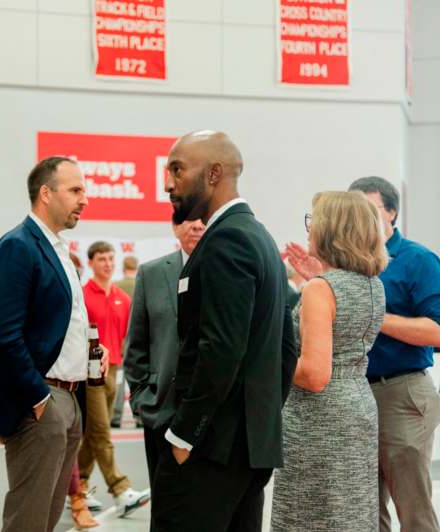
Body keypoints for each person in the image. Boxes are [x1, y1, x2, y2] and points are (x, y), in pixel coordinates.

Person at [152, 130, 297, 531]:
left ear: (214, 173)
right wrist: (260, 422)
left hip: (209, 450)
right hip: (247, 451)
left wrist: (184, 435)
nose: (169, 183)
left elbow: (221, 348)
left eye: (177, 169)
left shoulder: (226, 240)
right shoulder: (259, 237)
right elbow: (286, 347)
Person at [288, 176, 440, 531]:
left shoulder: (417, 260)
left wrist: (366, 312)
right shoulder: (348, 275)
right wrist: (322, 281)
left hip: (400, 391)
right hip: (354, 393)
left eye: (369, 212)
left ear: (391, 213)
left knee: (411, 502)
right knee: (363, 504)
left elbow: (437, 331)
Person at [0, 156, 108, 532]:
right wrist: (38, 399)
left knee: (47, 518)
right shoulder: (18, 246)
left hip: (67, 399)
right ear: (46, 194)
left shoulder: (58, 250)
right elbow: (4, 333)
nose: (84, 199)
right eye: (76, 190)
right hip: (40, 401)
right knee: (28, 519)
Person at [273, 191, 388, 530]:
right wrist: (317, 278)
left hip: (319, 416)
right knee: (349, 512)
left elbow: (314, 374)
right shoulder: (373, 284)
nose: (309, 229)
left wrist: (267, 359)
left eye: (314, 221)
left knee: (310, 513)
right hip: (358, 405)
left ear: (332, 230)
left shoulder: (321, 289)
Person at [123, 215, 205, 493]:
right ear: (175, 226)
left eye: (203, 219)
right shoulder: (152, 273)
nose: (196, 225)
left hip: (212, 418)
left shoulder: (229, 273)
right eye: (188, 219)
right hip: (161, 412)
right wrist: (141, 399)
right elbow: (136, 344)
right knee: (164, 507)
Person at [79, 241, 150, 517]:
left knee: (93, 434)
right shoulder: (84, 296)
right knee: (102, 432)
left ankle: (78, 487)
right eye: (101, 259)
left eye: (110, 258)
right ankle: (120, 489)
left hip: (115, 371)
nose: (107, 263)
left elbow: (128, 338)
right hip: (91, 373)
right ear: (91, 263)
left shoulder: (123, 297)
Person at [111, 255, 138, 429]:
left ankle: (115, 416)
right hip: (136, 340)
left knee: (119, 381)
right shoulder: (140, 284)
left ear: (122, 267)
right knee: (137, 381)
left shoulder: (116, 287)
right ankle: (140, 417)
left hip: (119, 341)